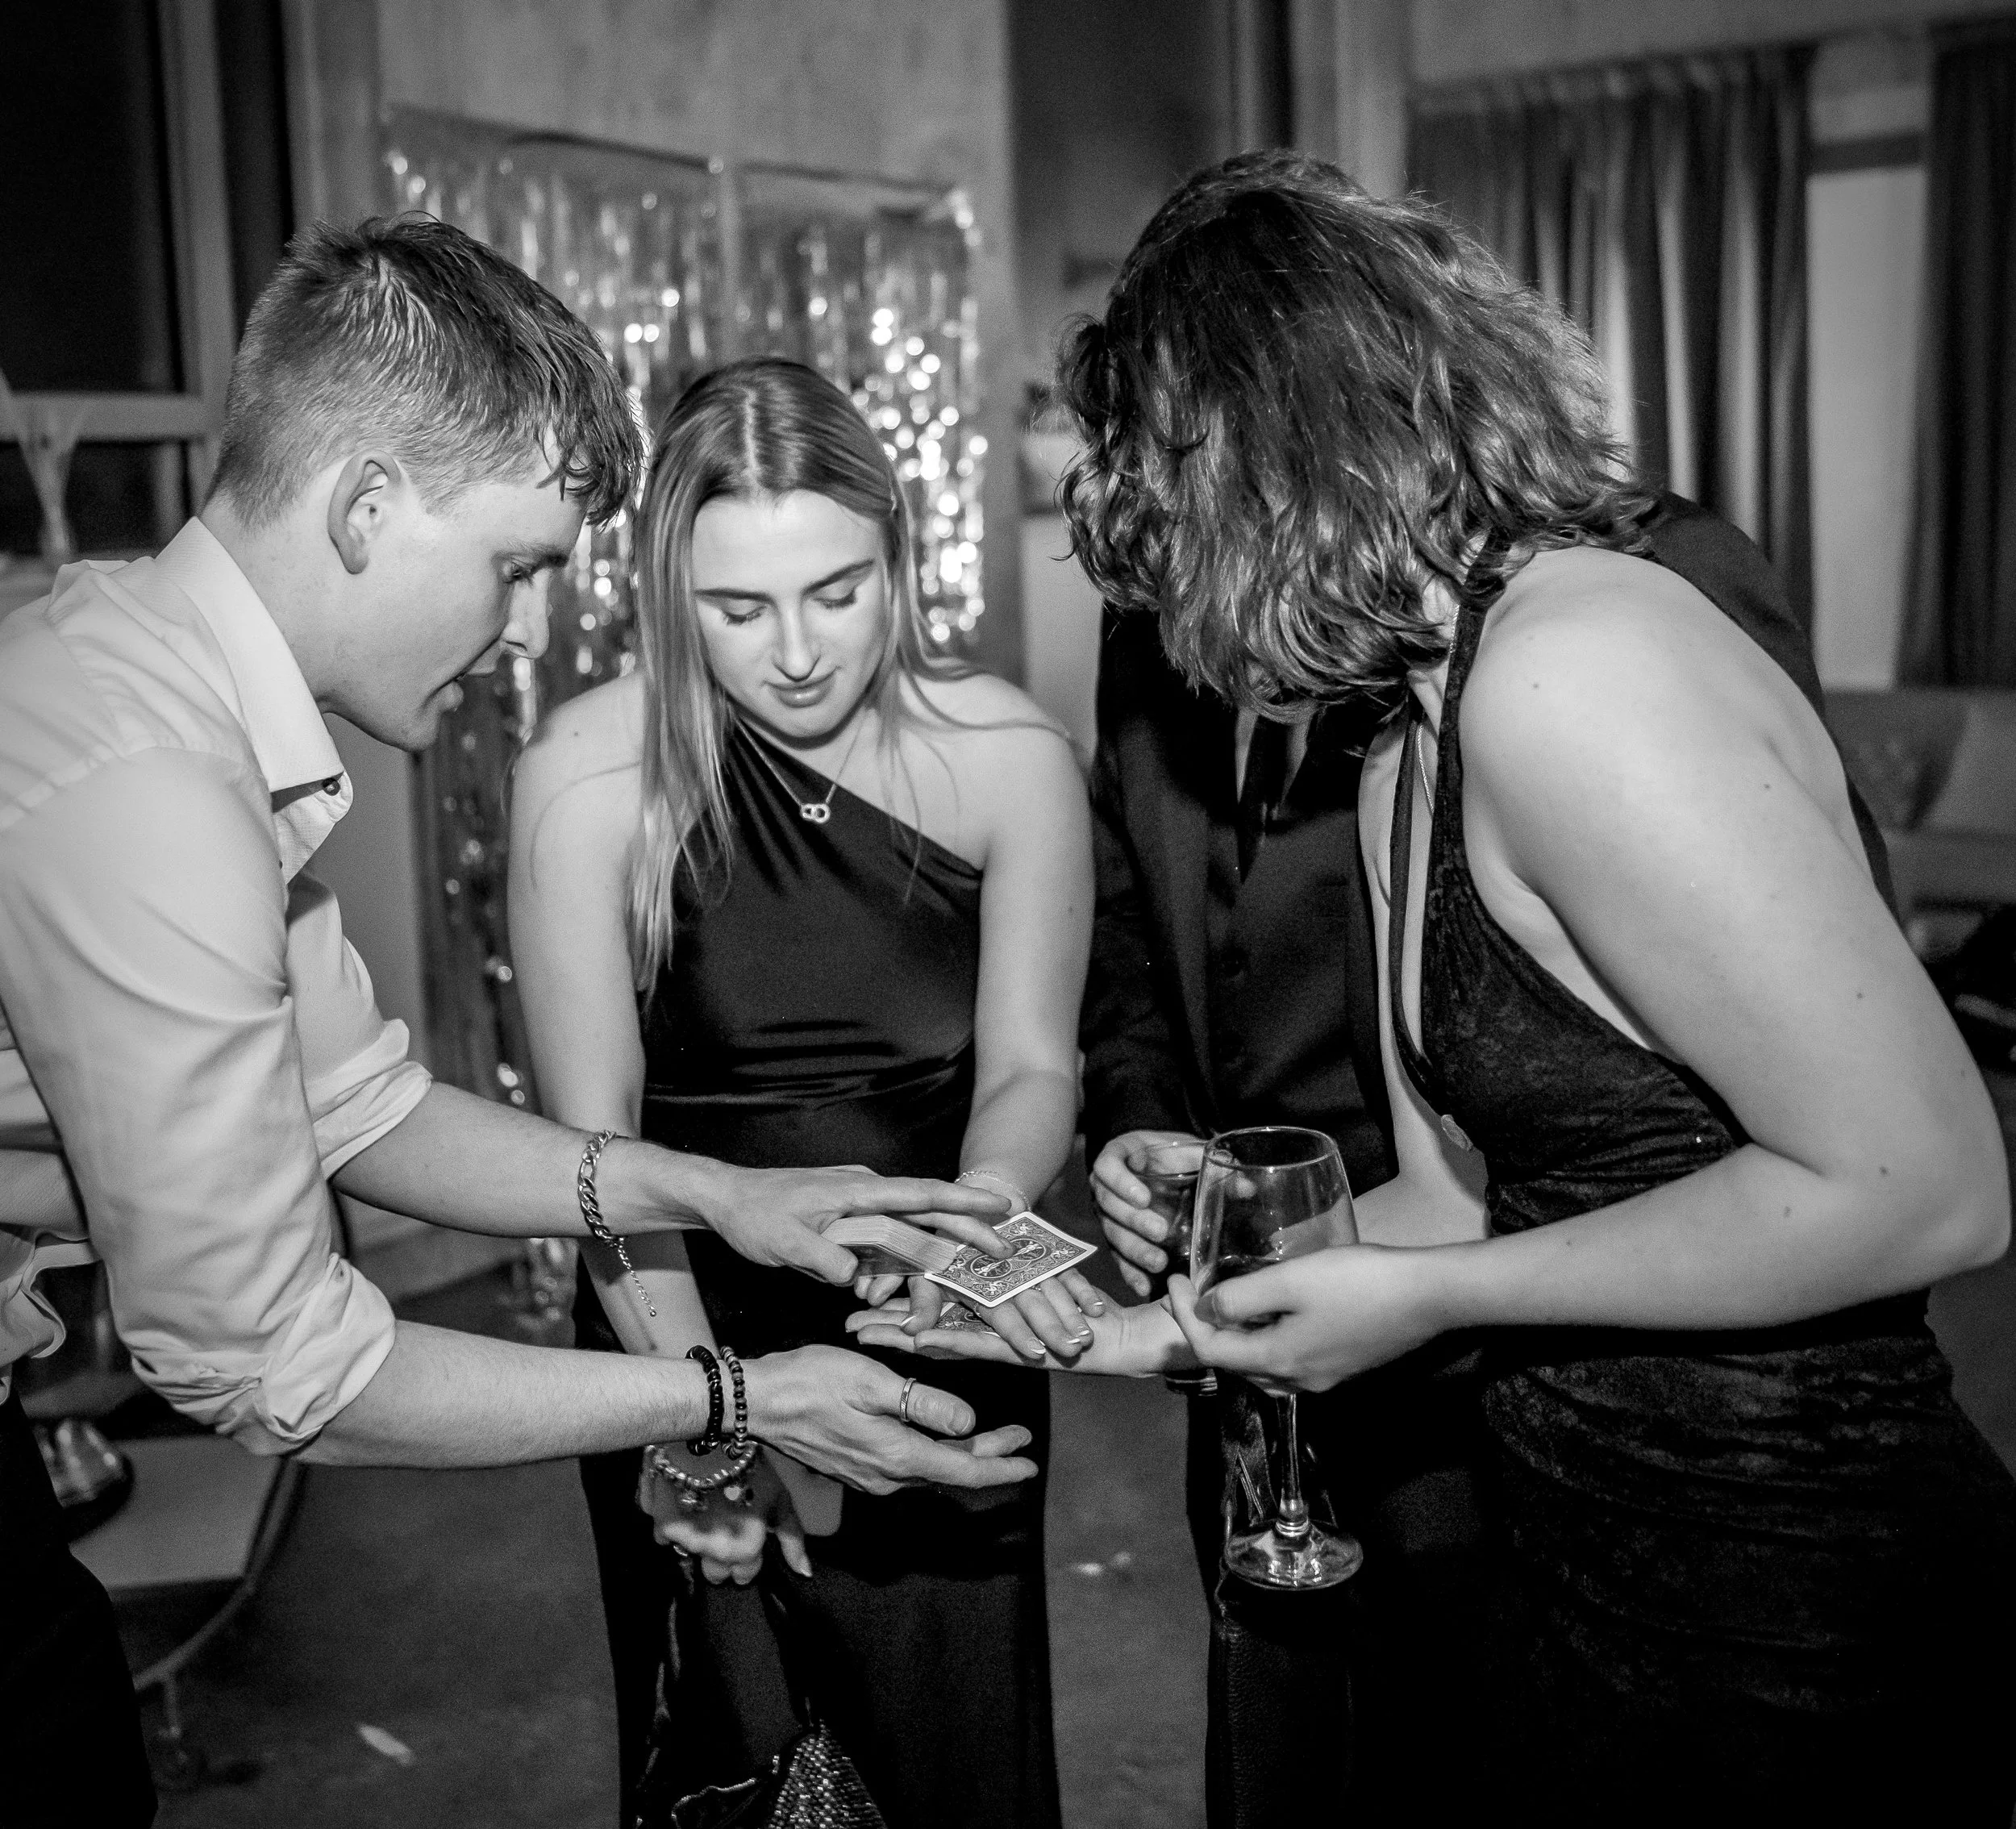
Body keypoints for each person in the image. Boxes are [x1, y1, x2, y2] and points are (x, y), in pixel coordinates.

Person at [865, 152, 2016, 1823]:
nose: (1171, 622)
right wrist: (1123, 1334)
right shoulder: (1414, 730)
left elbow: (1927, 1192)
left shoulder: (1579, 669)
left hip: (1796, 1574)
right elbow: (1445, 1197)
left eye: (1165, 532)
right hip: (1585, 1548)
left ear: (1272, 461)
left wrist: (1431, 1304)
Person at [0, 221, 1036, 1829]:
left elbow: (363, 1113)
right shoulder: (149, 790)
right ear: (362, 507)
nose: (512, 627)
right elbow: (274, 1370)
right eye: (511, 569)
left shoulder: (158, 688)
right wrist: (736, 1399)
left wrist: (714, 1194)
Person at [507, 356, 1094, 1829]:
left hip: (941, 1307)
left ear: (901, 553)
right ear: (663, 590)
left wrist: (981, 1242)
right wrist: (703, 1424)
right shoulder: (589, 773)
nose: (797, 653)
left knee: (953, 1754)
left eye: (838, 590)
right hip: (678, 1318)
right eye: (737, 608)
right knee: (741, 1771)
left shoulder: (1011, 758)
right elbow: (596, 1155)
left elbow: (1034, 1066)